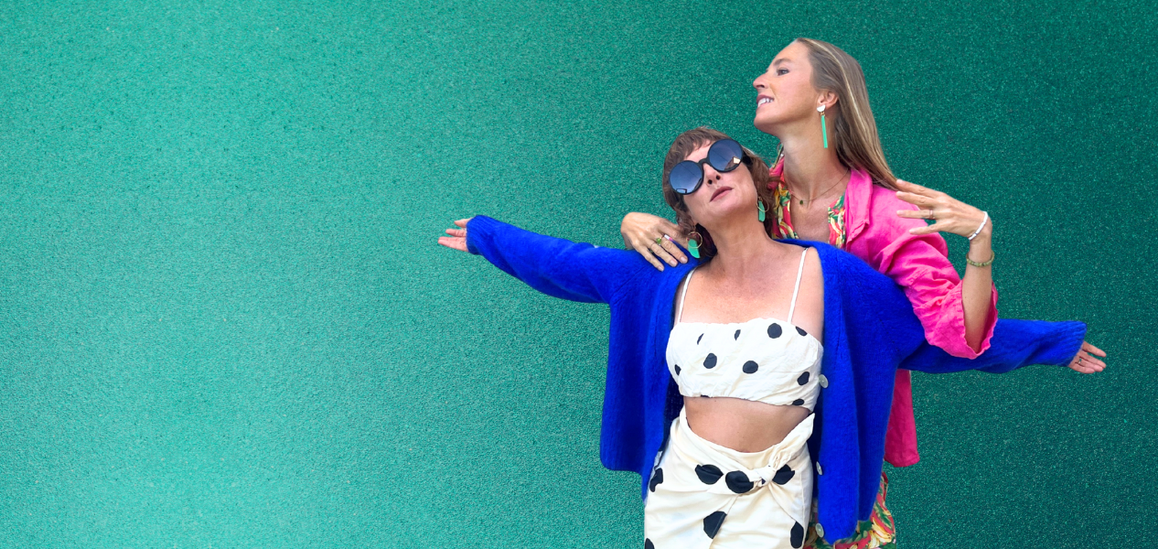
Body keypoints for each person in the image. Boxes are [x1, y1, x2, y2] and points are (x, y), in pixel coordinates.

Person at [437, 128, 1095, 548]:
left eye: (722, 157)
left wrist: (1050, 343)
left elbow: (931, 335)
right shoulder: (660, 277)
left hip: (777, 502)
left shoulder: (830, 276)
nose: (712, 173)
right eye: (690, 176)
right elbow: (565, 263)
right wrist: (488, 237)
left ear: (752, 174)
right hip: (682, 500)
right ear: (684, 208)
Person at [615, 39, 1104, 546]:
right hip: (733, 458)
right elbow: (712, 275)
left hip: (841, 442)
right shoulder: (756, 192)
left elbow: (947, 335)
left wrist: (983, 242)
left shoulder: (890, 217)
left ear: (827, 96)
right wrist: (634, 224)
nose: (760, 81)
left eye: (781, 70)